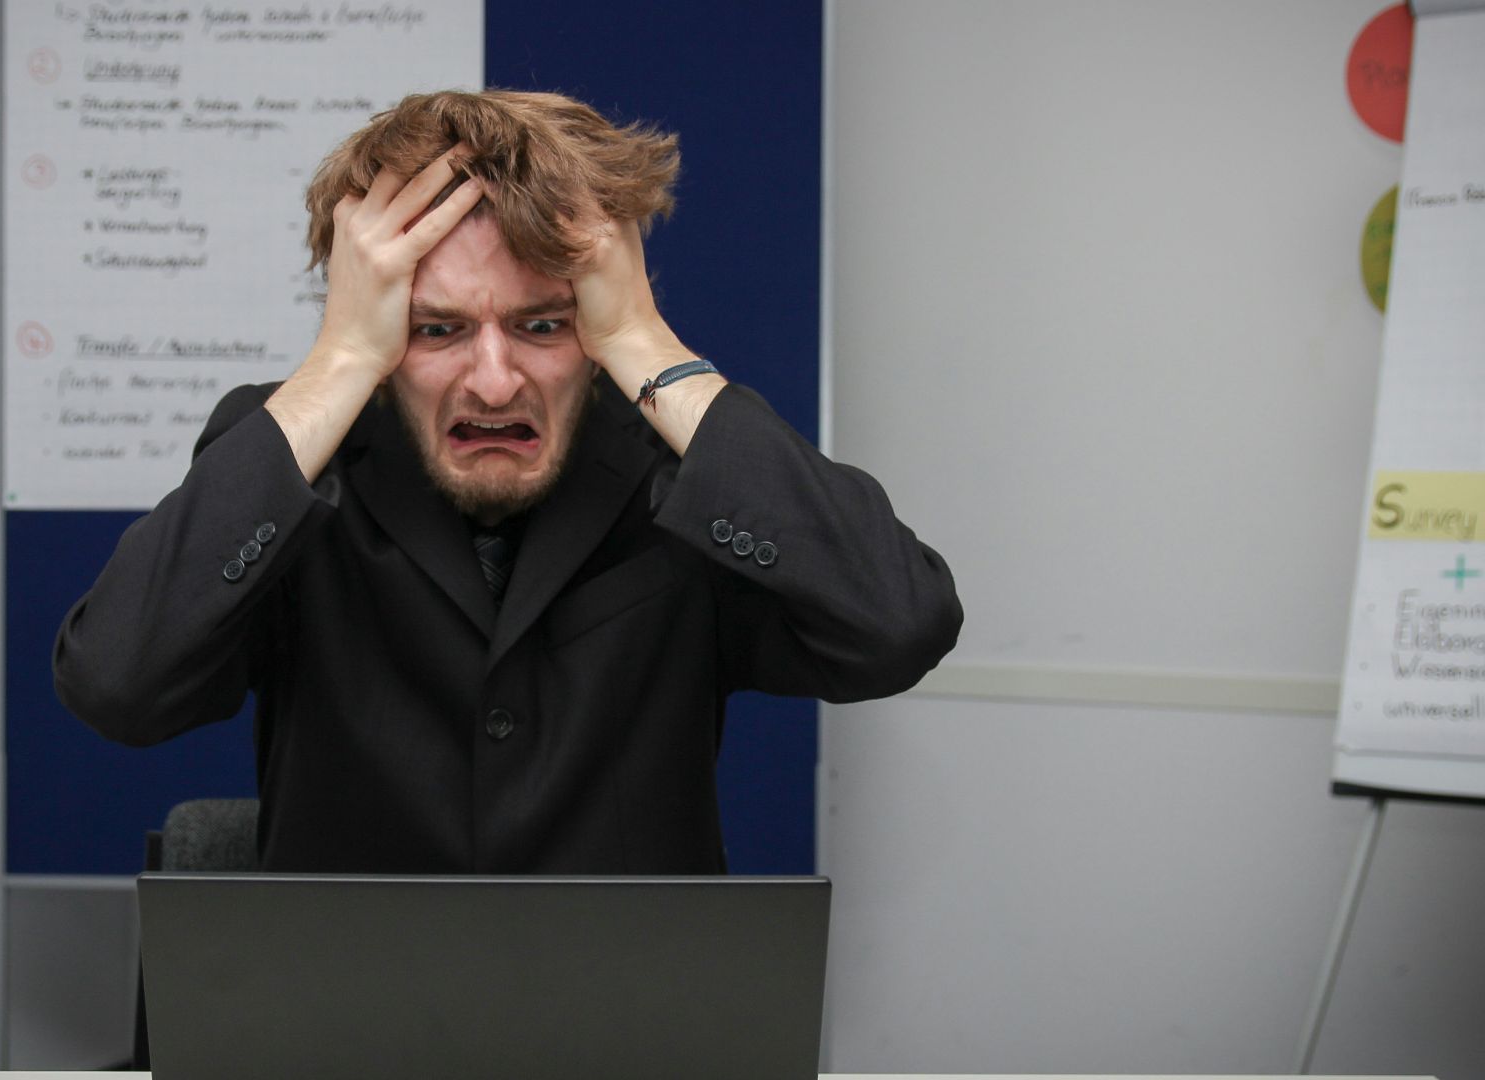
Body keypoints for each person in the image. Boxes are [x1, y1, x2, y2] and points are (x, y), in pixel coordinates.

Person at [53, 89, 961, 873]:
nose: (492, 381)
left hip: (625, 1029)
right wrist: (339, 363)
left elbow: (895, 625)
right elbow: (118, 682)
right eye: (437, 330)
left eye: (542, 325)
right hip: (351, 1027)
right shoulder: (298, 465)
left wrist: (644, 346)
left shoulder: (674, 467)